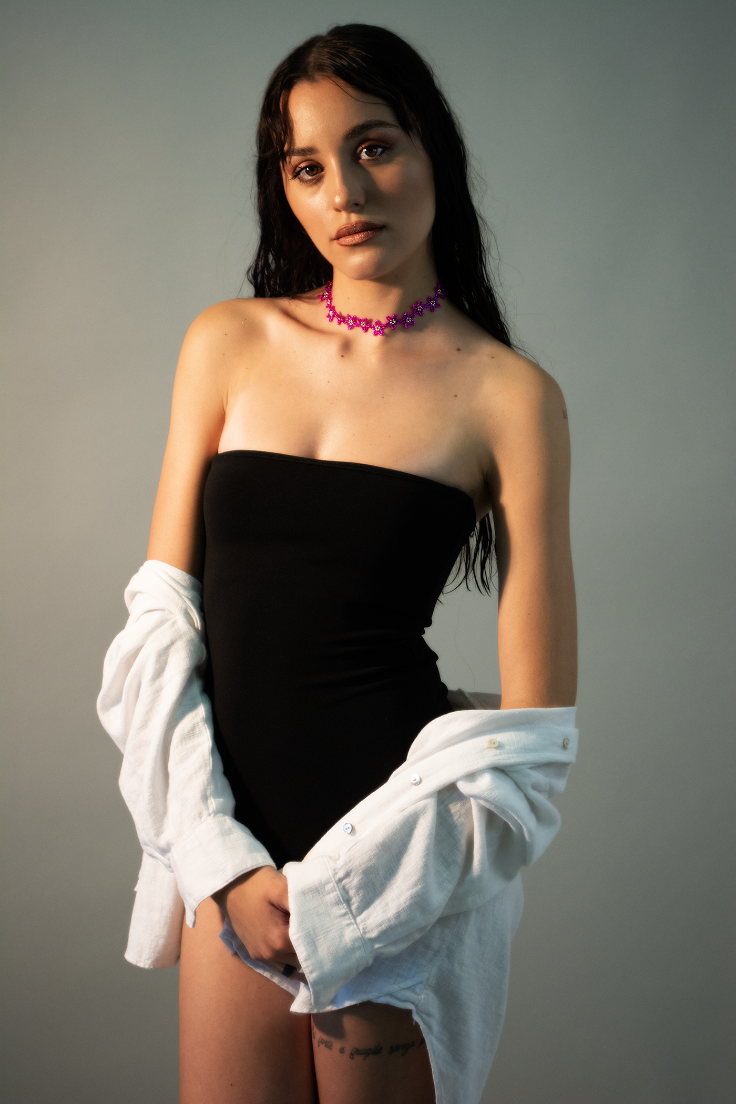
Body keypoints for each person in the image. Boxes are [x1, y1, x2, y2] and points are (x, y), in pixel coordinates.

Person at [98, 23, 577, 1104]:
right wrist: (219, 860)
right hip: (229, 845)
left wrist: (346, 901)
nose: (346, 193)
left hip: (396, 865)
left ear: (432, 149)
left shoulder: (510, 395)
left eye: (374, 147)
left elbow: (535, 740)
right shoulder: (226, 342)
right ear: (283, 188)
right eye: (307, 166)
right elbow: (161, 625)